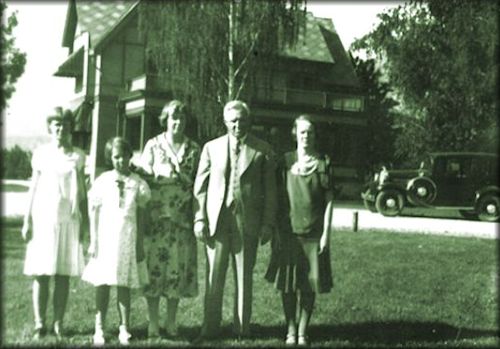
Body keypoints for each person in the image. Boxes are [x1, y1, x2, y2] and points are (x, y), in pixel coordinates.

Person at [193, 100, 277, 341]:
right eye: (233, 120)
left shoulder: (262, 150)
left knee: (243, 275)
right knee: (214, 276)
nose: (238, 124)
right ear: (225, 122)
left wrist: (267, 224)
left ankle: (242, 329)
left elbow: (270, 191)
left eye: (241, 119)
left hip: (247, 220)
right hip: (216, 220)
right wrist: (199, 219)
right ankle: (209, 328)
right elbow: (200, 187)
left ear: (248, 120)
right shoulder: (211, 147)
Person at [265, 115, 334, 346]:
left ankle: (303, 331)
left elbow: (330, 202)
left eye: (310, 132)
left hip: (314, 234)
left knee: (309, 284)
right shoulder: (284, 162)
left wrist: (326, 234)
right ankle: (291, 330)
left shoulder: (323, 163)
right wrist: (275, 230)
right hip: (288, 233)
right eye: (302, 132)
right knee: (288, 284)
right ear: (295, 134)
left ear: (315, 136)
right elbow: (276, 198)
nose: (306, 136)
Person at [21, 107, 88, 339]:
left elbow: (83, 194)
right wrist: (26, 219)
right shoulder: (40, 153)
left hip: (68, 221)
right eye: (56, 124)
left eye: (65, 124)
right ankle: (40, 323)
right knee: (41, 273)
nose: (61, 128)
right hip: (43, 219)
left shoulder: (78, 155)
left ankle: (58, 323)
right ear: (50, 127)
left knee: (62, 274)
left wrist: (85, 222)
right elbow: (33, 188)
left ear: (70, 128)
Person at [138, 100, 200, 338]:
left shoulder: (194, 149)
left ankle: (171, 321)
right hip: (156, 219)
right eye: (174, 118)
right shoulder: (153, 145)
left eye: (182, 118)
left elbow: (198, 182)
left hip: (182, 219)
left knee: (177, 270)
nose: (178, 122)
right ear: (166, 120)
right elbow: (142, 179)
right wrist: (157, 174)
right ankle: (153, 322)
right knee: (155, 271)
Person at [82, 137, 151, 345]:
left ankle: (124, 327)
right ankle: (99, 327)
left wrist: (139, 244)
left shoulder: (137, 183)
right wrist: (94, 241)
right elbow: (93, 211)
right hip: (106, 238)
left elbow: (141, 214)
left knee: (124, 283)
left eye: (124, 156)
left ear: (130, 156)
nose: (120, 160)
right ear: (111, 158)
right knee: (103, 283)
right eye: (116, 156)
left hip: (127, 238)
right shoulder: (103, 180)